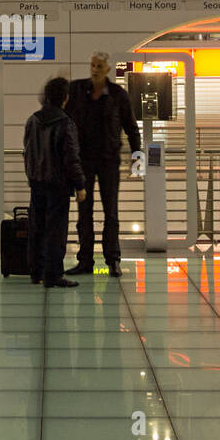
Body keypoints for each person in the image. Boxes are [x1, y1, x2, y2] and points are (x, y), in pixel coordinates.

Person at [66, 52, 141, 278]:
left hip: (109, 160)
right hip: (84, 160)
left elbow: (130, 126)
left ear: (108, 70)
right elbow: (59, 108)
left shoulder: (119, 95)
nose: (95, 69)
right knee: (84, 211)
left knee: (111, 212)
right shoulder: (77, 90)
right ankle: (85, 260)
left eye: (99, 66)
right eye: (92, 65)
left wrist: (137, 154)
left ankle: (113, 259)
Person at [24, 77, 86, 287]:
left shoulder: (33, 120)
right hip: (58, 185)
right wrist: (80, 184)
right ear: (65, 98)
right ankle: (53, 275)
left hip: (37, 183)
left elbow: (27, 151)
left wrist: (31, 176)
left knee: (37, 228)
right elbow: (71, 157)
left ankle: (36, 272)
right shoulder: (65, 122)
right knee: (55, 231)